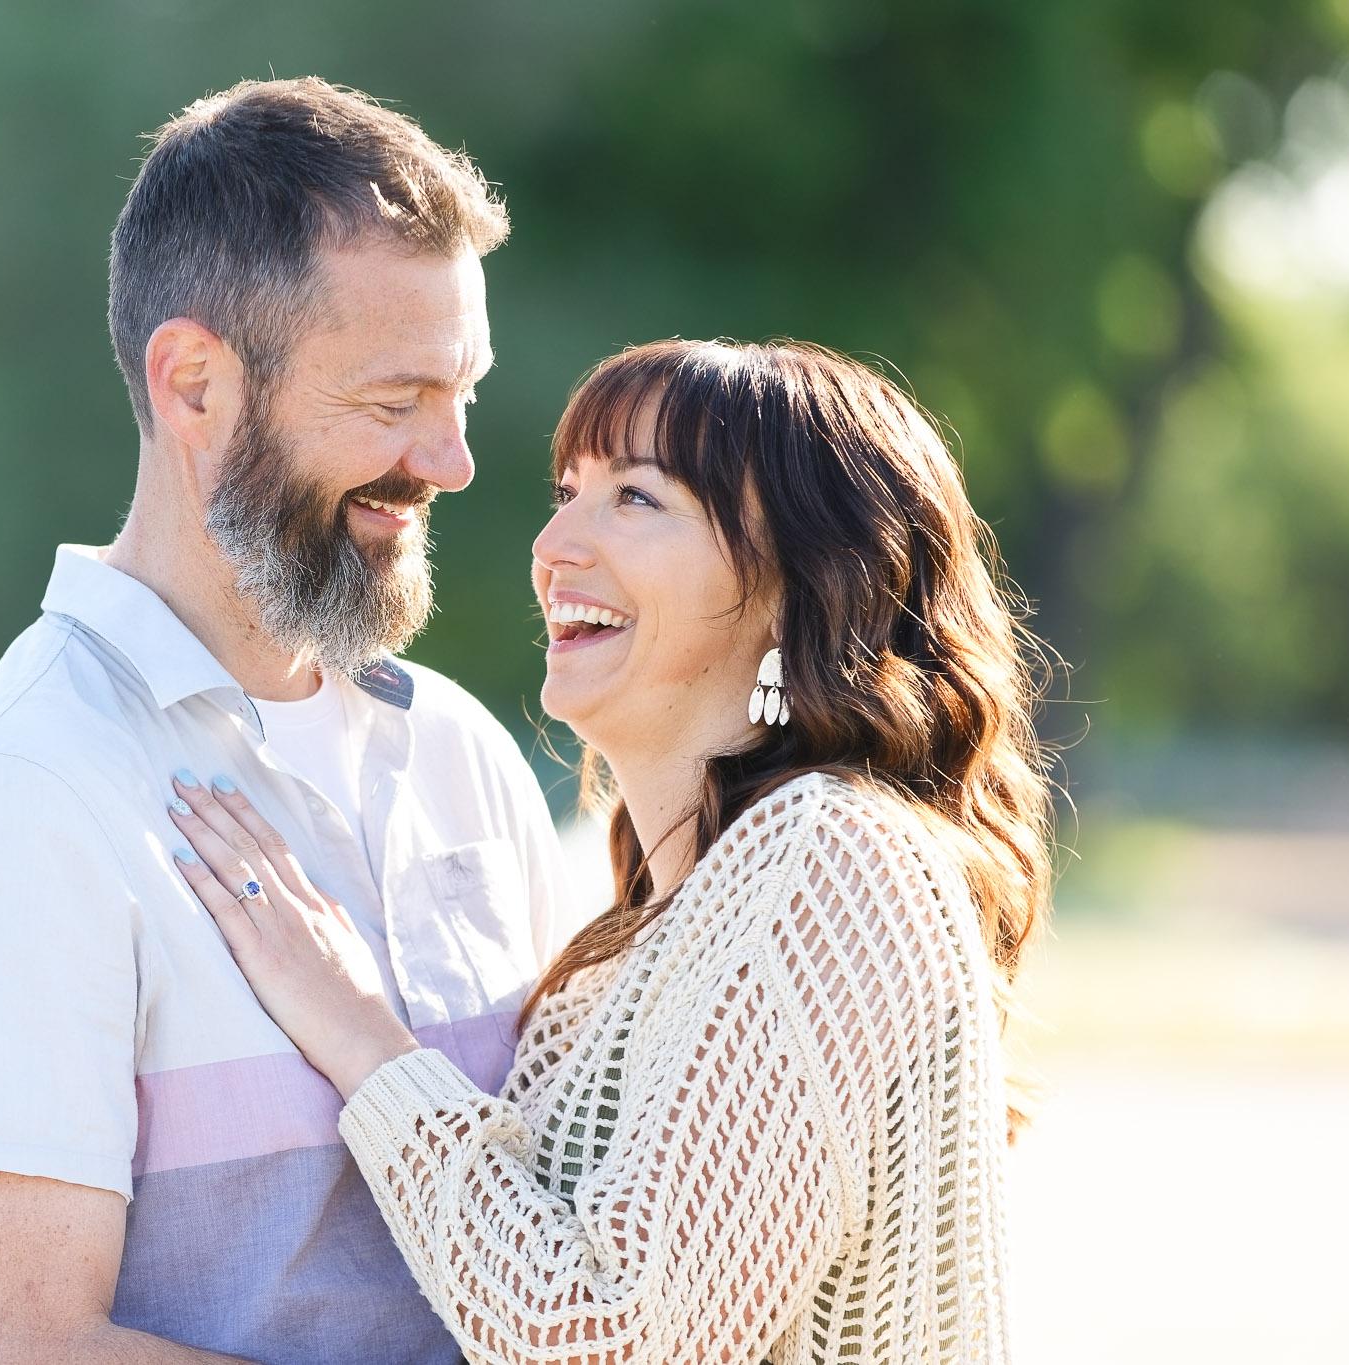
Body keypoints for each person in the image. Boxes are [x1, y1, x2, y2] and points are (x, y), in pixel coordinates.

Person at [0, 79, 571, 1365]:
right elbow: (14, 1350)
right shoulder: (5, 798)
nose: (450, 462)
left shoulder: (461, 754)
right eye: (394, 403)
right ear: (194, 386)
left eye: (462, 394)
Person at [166, 338, 1054, 1364]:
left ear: (800, 587)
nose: (552, 544)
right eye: (565, 492)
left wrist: (358, 1036)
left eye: (634, 499)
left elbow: (611, 1331)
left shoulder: (835, 855)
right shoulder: (661, 926)